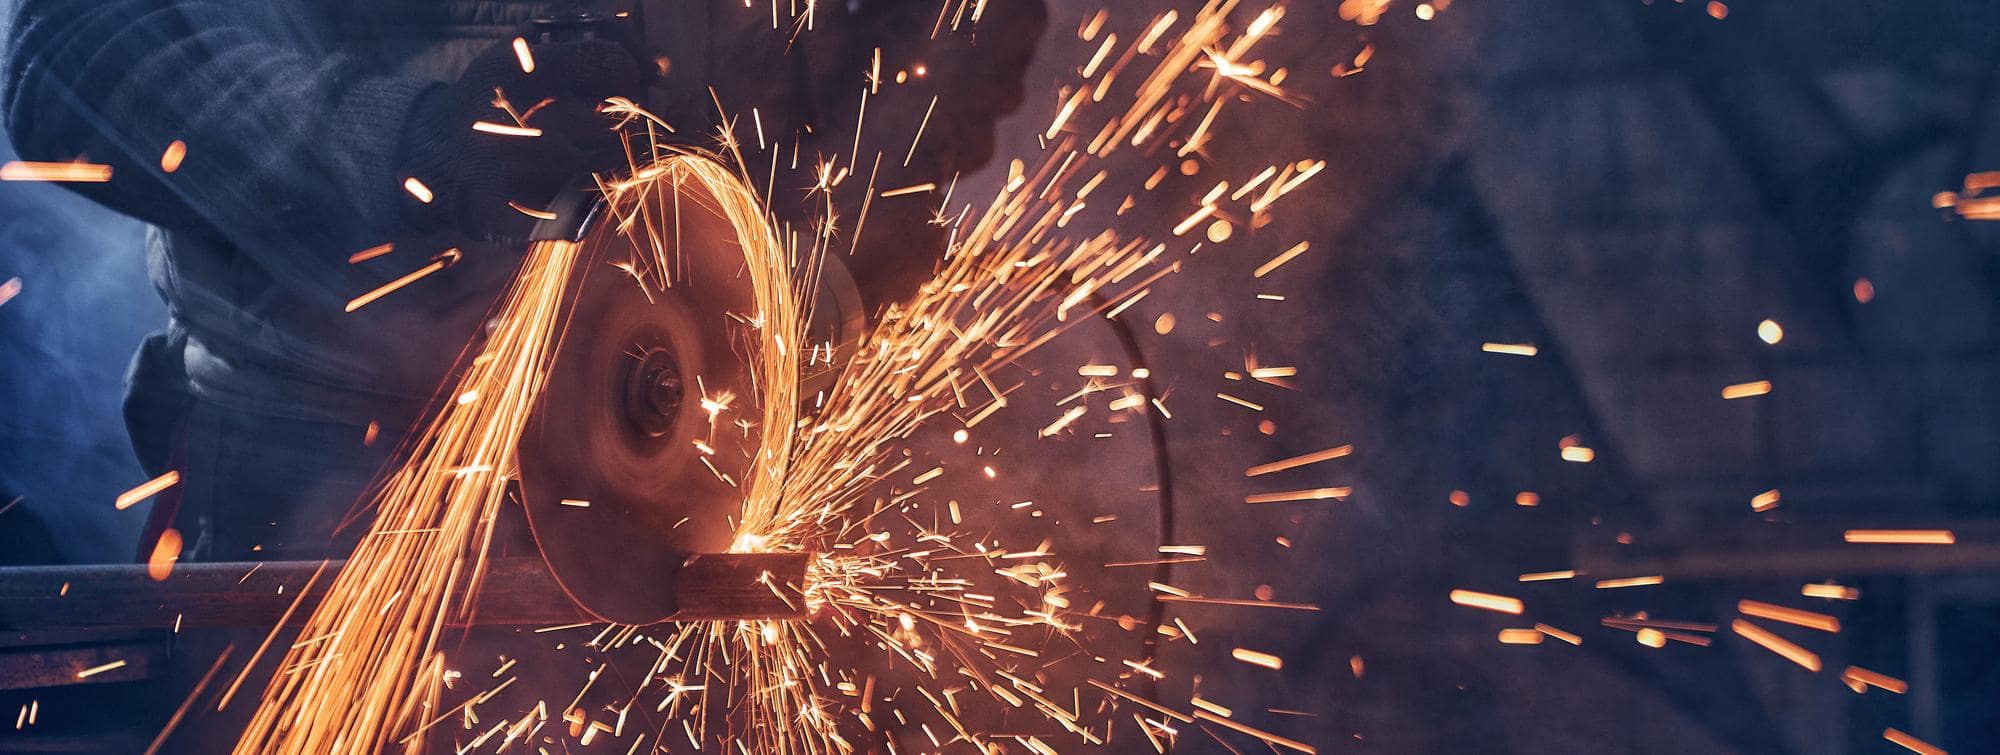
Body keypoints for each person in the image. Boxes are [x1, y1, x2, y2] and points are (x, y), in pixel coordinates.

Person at [4, 0, 1045, 563]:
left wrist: (830, 261)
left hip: (694, 484)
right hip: (316, 487)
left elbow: (939, 50)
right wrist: (403, 144)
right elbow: (66, 52)